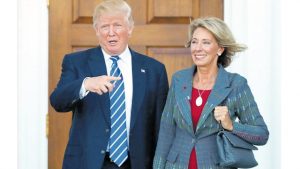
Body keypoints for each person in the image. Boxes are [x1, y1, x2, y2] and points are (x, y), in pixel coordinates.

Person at [50, 0, 169, 169]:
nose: (111, 32)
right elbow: (57, 101)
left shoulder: (154, 70)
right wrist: (85, 84)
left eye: (117, 25)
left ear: (130, 28)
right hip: (88, 162)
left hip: (137, 163)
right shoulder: (77, 62)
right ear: (97, 31)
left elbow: (161, 126)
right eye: (105, 26)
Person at [153, 17, 269, 169]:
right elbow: (166, 132)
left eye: (206, 42)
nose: (198, 48)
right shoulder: (179, 80)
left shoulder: (236, 84)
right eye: (194, 42)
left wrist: (231, 125)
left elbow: (261, 134)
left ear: (220, 49)